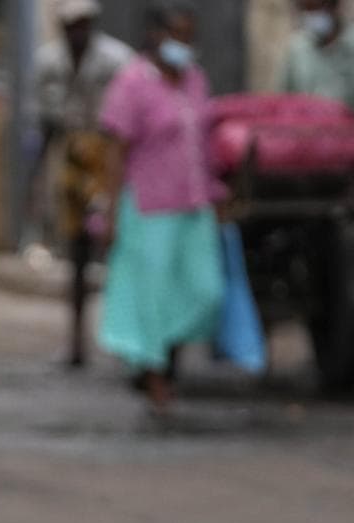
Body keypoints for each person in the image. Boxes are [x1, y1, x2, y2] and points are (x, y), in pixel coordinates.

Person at [95, 2, 224, 410]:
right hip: (149, 208)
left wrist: (217, 191)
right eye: (177, 35)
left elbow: (203, 142)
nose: (184, 44)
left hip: (195, 203)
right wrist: (110, 212)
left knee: (205, 290)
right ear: (156, 36)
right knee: (153, 295)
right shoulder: (132, 83)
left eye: (189, 36)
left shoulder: (196, 80)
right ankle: (156, 377)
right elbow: (116, 152)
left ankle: (161, 354)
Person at [278, 0, 354, 359]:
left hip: (353, 170)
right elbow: (282, 109)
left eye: (316, 6)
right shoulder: (296, 51)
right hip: (305, 172)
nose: (310, 15)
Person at [32, 0, 132, 367]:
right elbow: (45, 123)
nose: (78, 31)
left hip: (106, 158)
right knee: (76, 251)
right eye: (71, 24)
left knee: (116, 250)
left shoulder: (117, 60)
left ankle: (124, 338)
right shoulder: (48, 62)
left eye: (84, 23)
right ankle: (76, 340)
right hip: (72, 159)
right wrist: (37, 180)